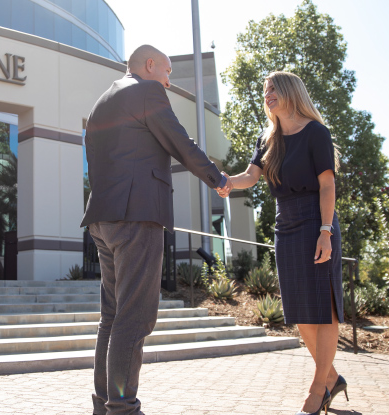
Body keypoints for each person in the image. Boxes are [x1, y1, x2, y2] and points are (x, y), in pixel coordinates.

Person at [80, 44, 229, 415]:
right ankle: (124, 408)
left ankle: (104, 405)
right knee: (134, 316)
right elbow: (180, 140)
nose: (168, 79)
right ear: (149, 66)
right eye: (166, 71)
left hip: (103, 218)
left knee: (112, 317)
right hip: (137, 216)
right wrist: (217, 178)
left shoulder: (101, 102)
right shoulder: (147, 91)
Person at [218, 71, 345, 415]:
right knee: (300, 310)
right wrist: (224, 180)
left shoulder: (316, 132)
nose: (268, 94)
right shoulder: (268, 138)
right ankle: (332, 377)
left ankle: (318, 389)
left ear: (290, 91)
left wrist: (325, 232)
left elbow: (328, 186)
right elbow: (251, 176)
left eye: (273, 88)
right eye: (265, 91)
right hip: (285, 224)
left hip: (317, 220)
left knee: (323, 307)